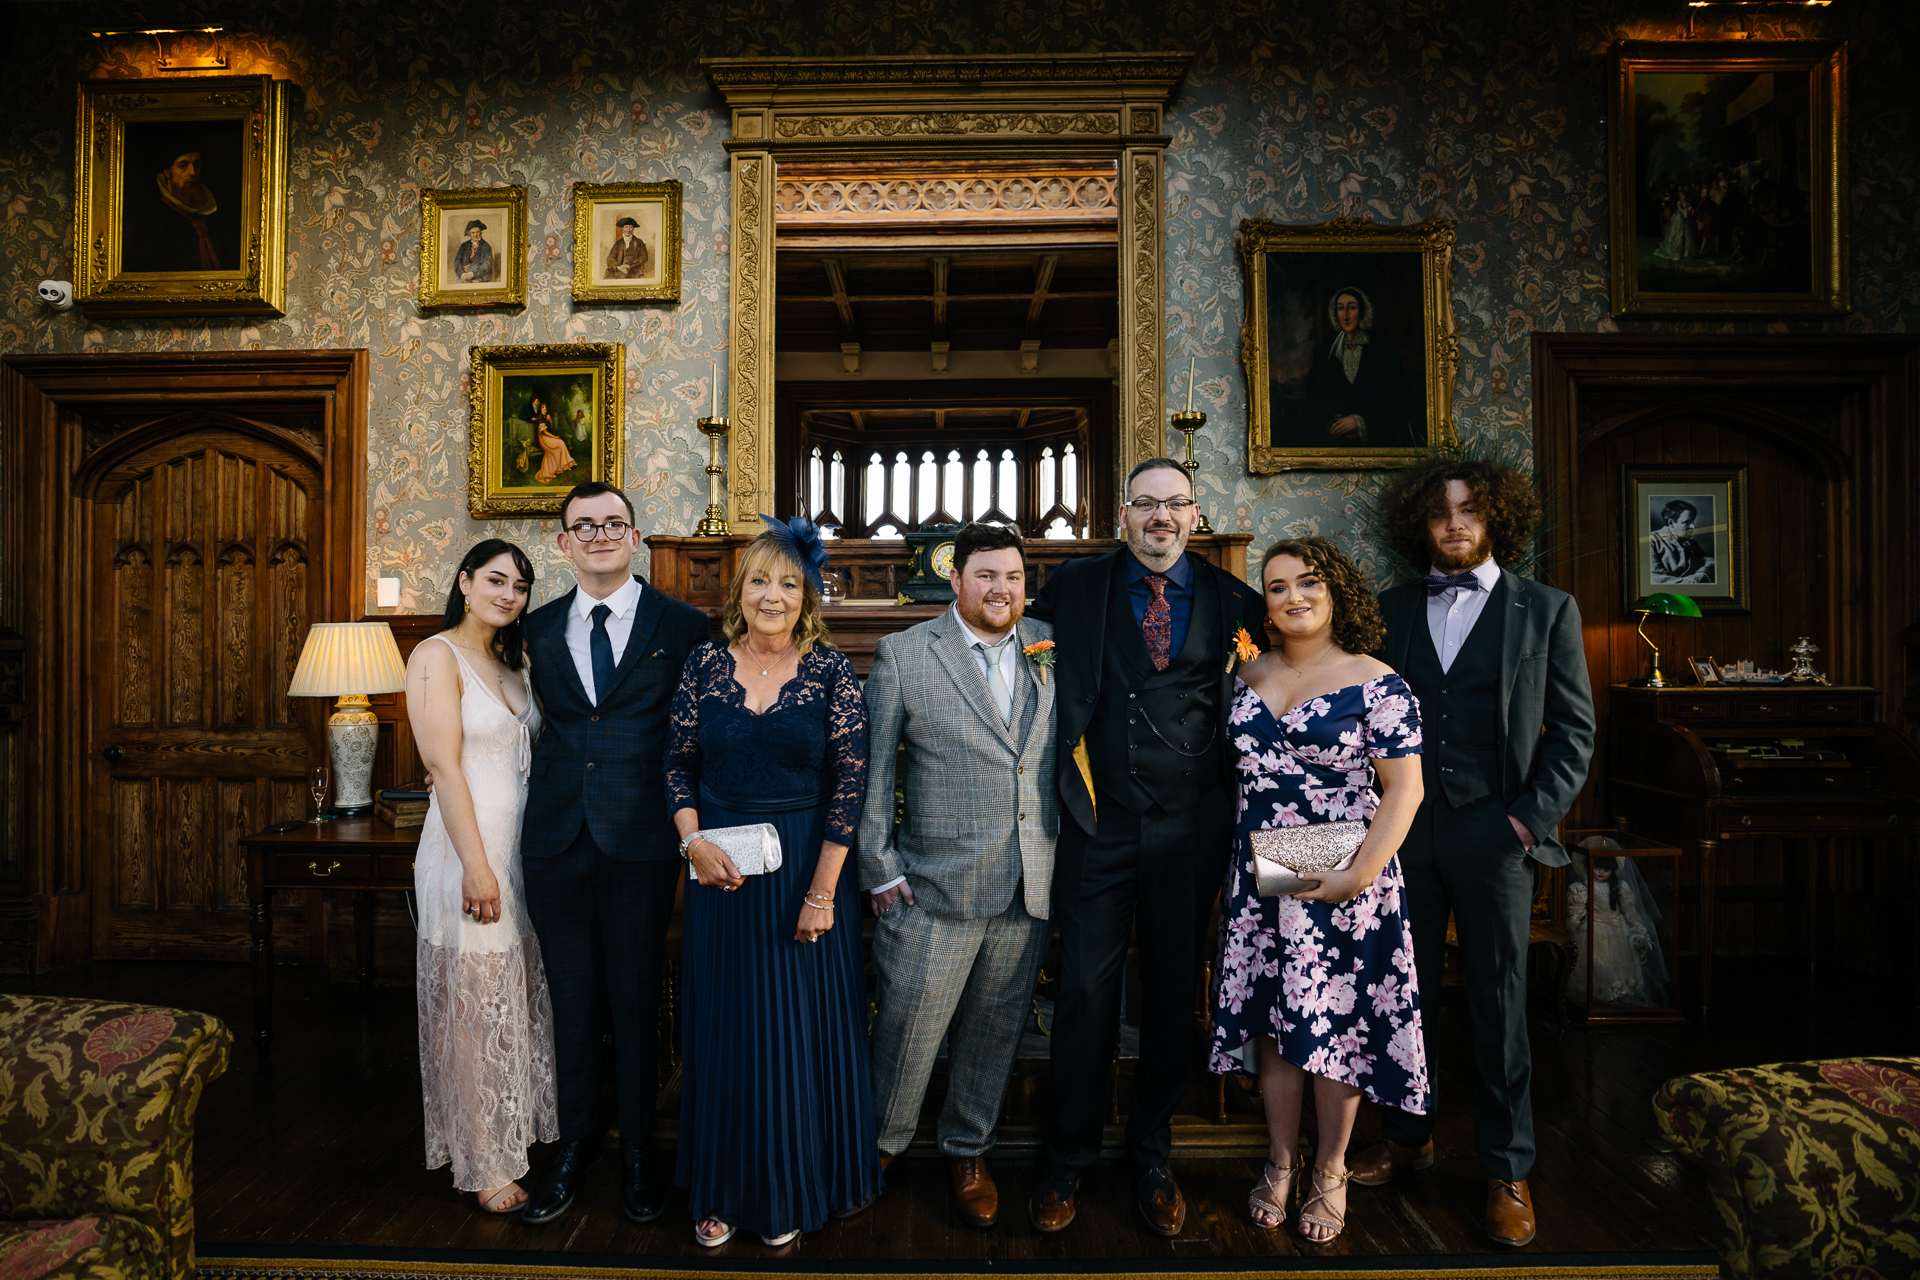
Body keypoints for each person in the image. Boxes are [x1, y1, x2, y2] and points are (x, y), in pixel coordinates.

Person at [1350, 458, 1595, 1248]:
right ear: (1419, 525)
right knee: (1401, 992)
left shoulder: (1547, 611)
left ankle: (1506, 1168)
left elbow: (1574, 733)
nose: (1455, 525)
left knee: (1499, 1003)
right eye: (1441, 514)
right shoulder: (1386, 612)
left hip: (1497, 835)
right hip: (1404, 835)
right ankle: (1408, 1138)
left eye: (1470, 512)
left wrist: (1526, 822)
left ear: (1495, 520)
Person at [1023, 458, 1269, 1238]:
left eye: (1175, 505)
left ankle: (1152, 1153)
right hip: (1098, 823)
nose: (1160, 518)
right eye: (1145, 504)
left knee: (1171, 990)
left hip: (1194, 827)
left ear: (1195, 514)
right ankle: (1066, 1160)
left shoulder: (1239, 601)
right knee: (1085, 995)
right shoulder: (1072, 589)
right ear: (1122, 514)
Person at [667, 517, 879, 1247]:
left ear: (807, 593)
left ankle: (787, 1186)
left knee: (792, 1036)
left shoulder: (831, 672)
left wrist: (822, 894)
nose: (772, 594)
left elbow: (851, 788)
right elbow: (677, 766)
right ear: (740, 588)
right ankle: (721, 1187)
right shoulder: (702, 666)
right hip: (719, 867)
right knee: (727, 1034)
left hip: (804, 870)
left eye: (788, 582)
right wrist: (692, 842)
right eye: (760, 579)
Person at [1208, 537, 1427, 1243]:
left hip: (1344, 871)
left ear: (1336, 594)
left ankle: (1329, 1169)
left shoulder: (1378, 681)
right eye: (1276, 588)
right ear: (1264, 607)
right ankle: (1279, 1161)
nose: (1293, 596)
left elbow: (1405, 790)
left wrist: (1358, 876)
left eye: (1308, 583)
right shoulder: (1246, 675)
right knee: (1277, 1024)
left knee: (1336, 1026)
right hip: (1261, 873)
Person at [516, 480, 710, 1227]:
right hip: (554, 840)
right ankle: (574, 1147)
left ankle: (637, 1153)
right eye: (583, 525)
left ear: (636, 538)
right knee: (569, 1002)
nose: (600, 534)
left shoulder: (684, 625)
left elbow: (695, 736)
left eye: (614, 523)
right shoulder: (532, 630)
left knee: (633, 1001)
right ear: (563, 543)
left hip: (641, 840)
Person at [859, 521, 1058, 1229]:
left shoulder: (1050, 644)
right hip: (933, 888)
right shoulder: (906, 653)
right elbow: (875, 772)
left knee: (994, 1031)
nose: (1000, 588)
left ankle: (968, 1150)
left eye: (1012, 575)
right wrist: (880, 873)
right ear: (956, 580)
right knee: (907, 1033)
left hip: (1027, 883)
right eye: (985, 576)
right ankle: (876, 1149)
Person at [408, 538, 558, 1215]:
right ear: (465, 582)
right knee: (471, 1008)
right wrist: (476, 866)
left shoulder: (516, 663)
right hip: (468, 852)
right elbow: (442, 768)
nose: (508, 594)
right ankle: (485, 1163)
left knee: (506, 996)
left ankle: (511, 1133)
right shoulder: (434, 656)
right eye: (495, 580)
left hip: (520, 849)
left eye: (520, 587)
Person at [1279, 287, 1417, 449]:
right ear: (1334, 313)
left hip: (1376, 443)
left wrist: (1360, 423)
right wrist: (1335, 424)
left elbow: (1397, 401)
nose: (1345, 316)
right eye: (1340, 308)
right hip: (1335, 442)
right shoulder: (1325, 352)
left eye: (1352, 307)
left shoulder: (1384, 350)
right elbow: (1315, 400)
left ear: (1363, 312)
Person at [120, 131, 237, 273]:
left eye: (197, 164)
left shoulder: (212, 221)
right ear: (167, 173)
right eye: (183, 166)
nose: (192, 172)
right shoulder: (152, 222)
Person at [1649, 500, 1712, 584]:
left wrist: (1700, 575)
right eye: (1687, 522)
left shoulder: (1691, 543)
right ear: (1671, 523)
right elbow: (1657, 579)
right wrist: (1692, 582)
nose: (1693, 526)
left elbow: (1711, 561)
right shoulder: (1652, 541)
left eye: (1693, 521)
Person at [531, 399, 577, 485]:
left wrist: (550, 421)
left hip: (547, 436)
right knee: (560, 443)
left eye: (545, 407)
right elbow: (544, 432)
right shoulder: (540, 417)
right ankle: (566, 463)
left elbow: (549, 429)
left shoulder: (546, 416)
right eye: (543, 407)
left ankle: (561, 466)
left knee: (559, 445)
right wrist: (554, 437)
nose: (544, 408)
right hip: (543, 438)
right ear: (540, 408)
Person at [455, 219, 495, 283]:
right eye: (473, 232)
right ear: (469, 234)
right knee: (459, 282)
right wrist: (461, 274)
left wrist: (473, 274)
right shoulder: (464, 245)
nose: (475, 235)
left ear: (480, 233)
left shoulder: (486, 245)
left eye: (478, 232)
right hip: (465, 274)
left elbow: (487, 264)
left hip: (480, 275)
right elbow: (457, 261)